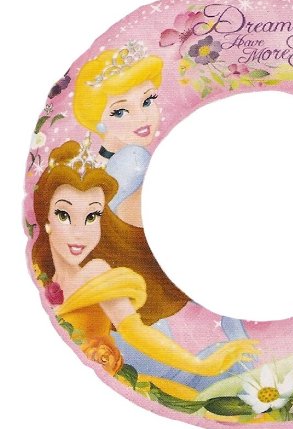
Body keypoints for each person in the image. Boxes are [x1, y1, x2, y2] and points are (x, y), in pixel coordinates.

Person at [31, 140, 258, 399]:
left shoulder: (97, 272)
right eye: (64, 215)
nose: (80, 232)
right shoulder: (40, 277)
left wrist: (201, 365)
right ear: (45, 219)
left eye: (92, 217)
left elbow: (135, 331)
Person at [73, 41, 161, 227]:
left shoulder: (98, 166)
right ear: (98, 120)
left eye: (147, 101)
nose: (142, 117)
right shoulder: (135, 158)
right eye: (120, 112)